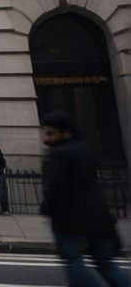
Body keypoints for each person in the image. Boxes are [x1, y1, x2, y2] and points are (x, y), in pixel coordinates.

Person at [39, 110, 129, 287]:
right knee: (107, 265)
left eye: (51, 133)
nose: (46, 138)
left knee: (73, 262)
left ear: (66, 132)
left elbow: (55, 189)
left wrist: (48, 208)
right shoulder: (87, 149)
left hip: (70, 220)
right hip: (100, 217)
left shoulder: (58, 154)